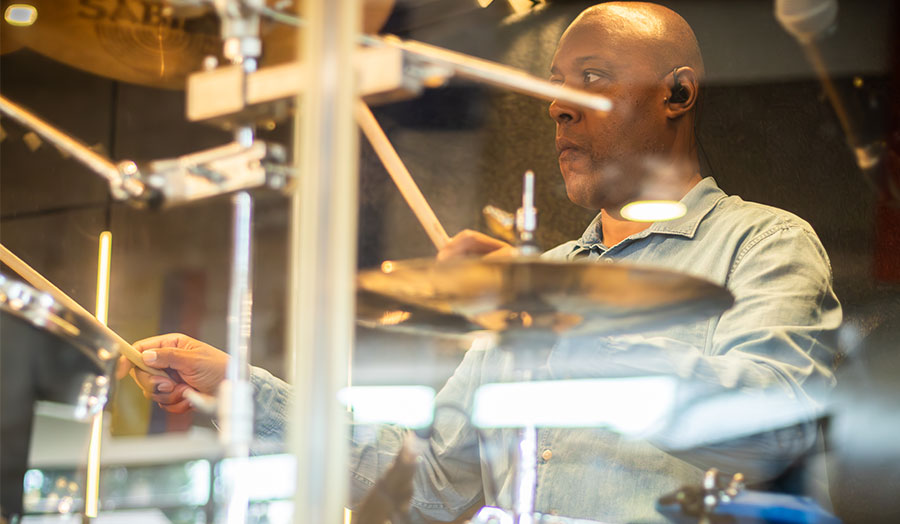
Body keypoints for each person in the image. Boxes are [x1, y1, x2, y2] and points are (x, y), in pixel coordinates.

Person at [122, 2, 841, 522]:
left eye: (589, 79)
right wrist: (244, 391)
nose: (558, 108)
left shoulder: (765, 244)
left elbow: (776, 431)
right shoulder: (538, 279)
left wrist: (565, 314)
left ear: (677, 93)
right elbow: (431, 486)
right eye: (554, 85)